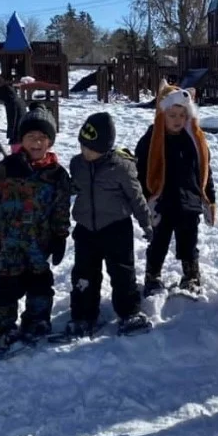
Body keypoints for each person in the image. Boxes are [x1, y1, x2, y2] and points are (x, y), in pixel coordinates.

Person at [0, 104, 71, 350]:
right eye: (30, 137)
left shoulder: (57, 174)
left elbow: (61, 209)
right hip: (10, 242)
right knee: (7, 284)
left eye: (42, 138)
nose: (36, 143)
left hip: (40, 242)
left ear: (49, 142)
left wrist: (61, 235)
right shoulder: (9, 167)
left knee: (40, 282)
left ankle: (37, 321)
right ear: (22, 139)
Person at [67, 112, 154, 337]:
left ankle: (129, 312)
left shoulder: (121, 168)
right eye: (82, 146)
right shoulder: (77, 164)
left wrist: (146, 223)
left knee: (122, 272)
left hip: (116, 229)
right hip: (86, 229)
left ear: (105, 148)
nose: (85, 152)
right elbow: (72, 190)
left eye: (91, 148)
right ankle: (84, 315)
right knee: (84, 274)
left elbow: (136, 197)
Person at [135, 81, 216, 297]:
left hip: (189, 201)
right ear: (162, 115)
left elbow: (205, 170)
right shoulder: (151, 140)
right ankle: (152, 276)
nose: (178, 120)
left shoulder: (195, 140)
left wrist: (209, 198)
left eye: (182, 115)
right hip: (161, 201)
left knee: (189, 242)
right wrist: (145, 199)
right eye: (172, 115)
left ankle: (191, 275)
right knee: (158, 242)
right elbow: (140, 169)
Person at [0, 83, 27, 153]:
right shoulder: (18, 100)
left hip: (17, 135)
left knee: (17, 154)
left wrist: (11, 135)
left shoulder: (12, 104)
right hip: (24, 131)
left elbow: (12, 120)